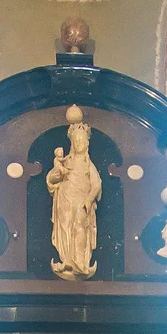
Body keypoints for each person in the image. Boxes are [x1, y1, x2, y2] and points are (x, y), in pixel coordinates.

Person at [46, 106, 102, 280]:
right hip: (64, 200)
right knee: (65, 228)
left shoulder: (88, 164)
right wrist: (55, 177)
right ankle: (67, 261)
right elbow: (52, 179)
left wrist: (89, 199)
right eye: (76, 141)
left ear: (87, 143)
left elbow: (97, 184)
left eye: (82, 140)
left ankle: (80, 262)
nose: (79, 144)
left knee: (79, 227)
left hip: (81, 201)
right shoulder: (65, 161)